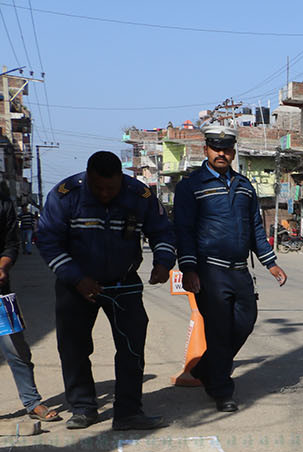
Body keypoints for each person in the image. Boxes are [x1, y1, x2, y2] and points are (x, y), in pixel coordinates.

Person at [36, 151, 176, 430]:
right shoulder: (65, 196)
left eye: (110, 189)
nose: (104, 194)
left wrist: (163, 262)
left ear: (121, 181)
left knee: (132, 347)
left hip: (124, 283)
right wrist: (76, 278)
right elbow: (47, 240)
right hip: (75, 286)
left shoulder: (139, 195)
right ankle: (83, 407)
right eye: (97, 187)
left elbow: (162, 232)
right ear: (88, 176)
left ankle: (128, 411)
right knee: (74, 348)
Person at [172, 123, 288, 413]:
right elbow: (183, 230)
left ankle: (205, 368)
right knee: (219, 331)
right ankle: (222, 389)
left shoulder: (245, 187)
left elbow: (255, 229)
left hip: (239, 270)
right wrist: (189, 268)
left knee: (246, 322)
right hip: (209, 270)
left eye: (226, 149)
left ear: (233, 152)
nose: (221, 153)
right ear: (206, 150)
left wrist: (270, 262)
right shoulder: (191, 186)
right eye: (216, 148)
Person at [0, 186, 58, 422]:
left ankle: (32, 402)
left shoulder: (3, 205)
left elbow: (10, 245)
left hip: (2, 293)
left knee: (17, 349)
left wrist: (3, 267)